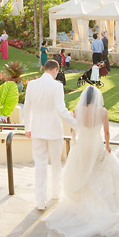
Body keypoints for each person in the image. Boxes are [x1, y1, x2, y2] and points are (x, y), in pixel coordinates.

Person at [43, 85, 119, 237]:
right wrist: (107, 145)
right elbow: (106, 132)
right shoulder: (103, 112)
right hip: (96, 145)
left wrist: (75, 141)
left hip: (83, 145)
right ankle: (100, 204)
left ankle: (81, 204)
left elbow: (73, 130)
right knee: (96, 173)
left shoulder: (79, 111)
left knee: (83, 171)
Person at [23, 60, 77, 211]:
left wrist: (27, 127)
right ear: (55, 70)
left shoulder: (32, 85)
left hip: (37, 130)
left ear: (44, 69)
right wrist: (75, 124)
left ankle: (40, 200)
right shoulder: (57, 86)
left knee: (40, 165)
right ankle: (56, 193)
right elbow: (61, 110)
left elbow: (26, 108)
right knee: (56, 164)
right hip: (54, 131)